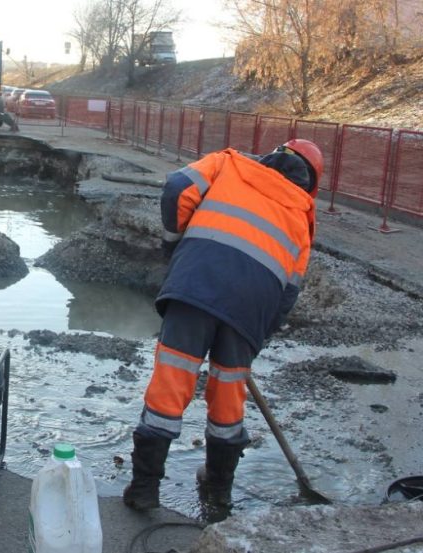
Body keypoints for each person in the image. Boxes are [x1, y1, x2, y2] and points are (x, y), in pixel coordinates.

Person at [122, 139, 324, 512]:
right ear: (310, 183)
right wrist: (255, 336)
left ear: (270, 157)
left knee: (170, 388)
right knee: (228, 400)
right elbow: (288, 292)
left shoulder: (228, 163)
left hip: (195, 286)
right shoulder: (302, 215)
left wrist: (175, 244)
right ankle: (219, 492)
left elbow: (177, 187)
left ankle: (144, 489)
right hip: (251, 310)